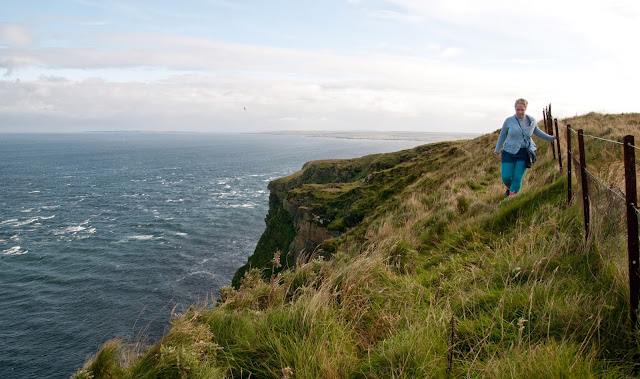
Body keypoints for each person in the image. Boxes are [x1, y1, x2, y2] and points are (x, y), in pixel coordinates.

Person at [493, 98, 555, 197]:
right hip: (509, 151)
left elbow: (537, 132)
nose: (520, 112)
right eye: (518, 110)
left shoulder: (532, 121)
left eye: (522, 110)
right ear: (515, 109)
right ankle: (509, 189)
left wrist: (551, 138)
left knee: (517, 177)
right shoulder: (509, 121)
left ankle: (511, 199)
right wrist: (497, 150)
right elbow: (502, 135)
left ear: (525, 109)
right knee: (506, 177)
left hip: (524, 152)